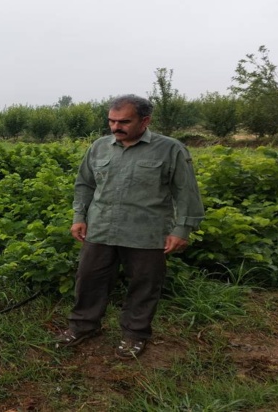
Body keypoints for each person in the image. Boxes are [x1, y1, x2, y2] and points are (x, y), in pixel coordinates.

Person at [56, 94, 205, 359]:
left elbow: (186, 192)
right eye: (112, 121)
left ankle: (135, 334)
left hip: (146, 232)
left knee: (144, 284)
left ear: (145, 120)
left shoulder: (170, 149)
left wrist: (182, 228)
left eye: (124, 121)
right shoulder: (100, 147)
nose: (115, 127)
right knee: (89, 278)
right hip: (100, 228)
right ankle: (83, 326)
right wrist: (79, 216)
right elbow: (85, 184)